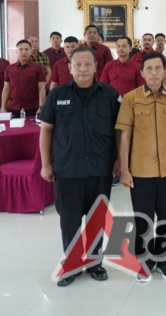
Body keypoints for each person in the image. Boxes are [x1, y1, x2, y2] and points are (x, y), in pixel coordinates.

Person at [39, 46, 121, 287]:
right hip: (68, 169)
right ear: (70, 67)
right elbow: (46, 130)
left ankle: (95, 263)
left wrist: (118, 160)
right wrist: (46, 164)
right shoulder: (57, 94)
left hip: (100, 168)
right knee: (70, 220)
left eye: (88, 65)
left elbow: (119, 130)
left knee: (96, 218)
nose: (83, 69)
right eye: (78, 65)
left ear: (96, 67)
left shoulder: (109, 94)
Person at [117, 51, 166, 282]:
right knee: (143, 218)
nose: (154, 73)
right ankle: (144, 261)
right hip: (140, 171)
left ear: (165, 71)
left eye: (158, 68)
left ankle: (164, 260)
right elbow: (125, 135)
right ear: (142, 72)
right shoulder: (131, 98)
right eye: (150, 69)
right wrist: (125, 169)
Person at [1, 39, 46, 116]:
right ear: (16, 51)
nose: (24, 52)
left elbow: (41, 88)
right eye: (21, 49)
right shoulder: (9, 68)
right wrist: (3, 107)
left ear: (30, 51)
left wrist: (41, 107)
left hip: (33, 108)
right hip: (13, 107)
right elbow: (6, 89)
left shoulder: (38, 68)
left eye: (26, 49)